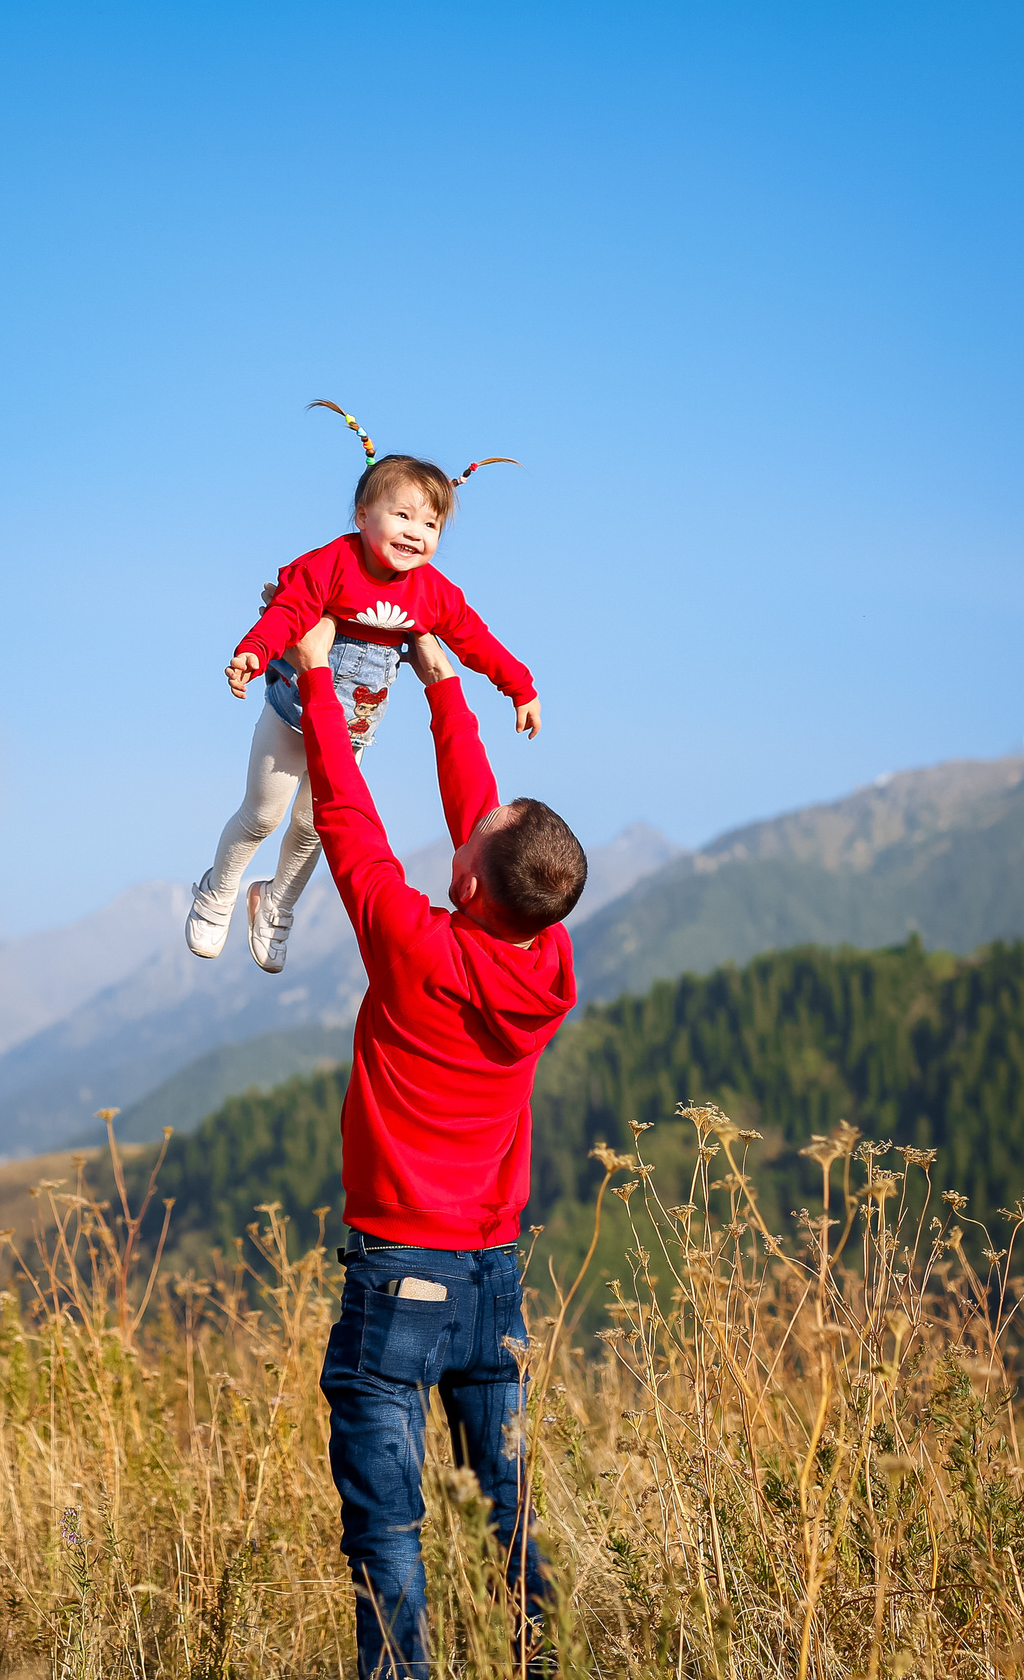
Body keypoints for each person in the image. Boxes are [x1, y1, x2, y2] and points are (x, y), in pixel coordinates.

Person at [285, 612, 586, 1679]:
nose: (462, 830)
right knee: (503, 1509)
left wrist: (319, 682)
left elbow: (346, 819)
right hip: (493, 1274)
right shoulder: (542, 958)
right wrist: (440, 682)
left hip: (397, 1271)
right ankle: (536, 1665)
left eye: (471, 841)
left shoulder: (413, 949)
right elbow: (486, 829)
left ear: (468, 885)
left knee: (389, 1524)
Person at [186, 401, 541, 974]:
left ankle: (275, 902)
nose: (416, 533)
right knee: (263, 814)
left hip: (350, 730)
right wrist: (252, 651)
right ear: (361, 514)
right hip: (292, 710)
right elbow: (288, 610)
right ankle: (219, 889)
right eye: (402, 516)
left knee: (314, 827)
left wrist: (519, 687)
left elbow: (474, 637)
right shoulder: (331, 564)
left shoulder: (431, 593)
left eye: (430, 525)